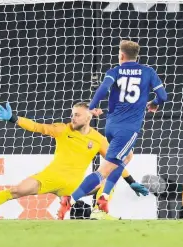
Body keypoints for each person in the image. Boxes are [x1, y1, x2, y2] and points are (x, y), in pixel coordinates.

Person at [0, 102, 148, 220]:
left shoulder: (98, 139)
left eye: (77, 114)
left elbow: (113, 164)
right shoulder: (62, 129)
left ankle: (100, 213)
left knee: (106, 181)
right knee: (14, 191)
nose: (73, 117)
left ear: (89, 116)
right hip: (48, 179)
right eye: (72, 114)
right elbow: (37, 127)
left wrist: (131, 182)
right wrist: (14, 118)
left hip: (74, 187)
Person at [58, 40, 168, 218]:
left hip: (111, 126)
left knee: (126, 156)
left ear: (121, 56)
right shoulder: (148, 72)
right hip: (128, 129)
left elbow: (103, 89)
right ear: (135, 56)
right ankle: (70, 200)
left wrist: (92, 107)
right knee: (104, 170)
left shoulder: (114, 71)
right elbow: (163, 96)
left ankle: (104, 196)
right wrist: (154, 104)